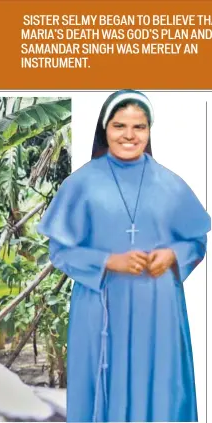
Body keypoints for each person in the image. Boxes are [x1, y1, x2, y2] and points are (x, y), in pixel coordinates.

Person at [37, 89, 210, 422]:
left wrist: (173, 254)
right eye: (120, 126)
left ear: (149, 131)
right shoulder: (82, 184)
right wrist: (107, 261)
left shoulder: (170, 184)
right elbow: (59, 251)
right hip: (101, 306)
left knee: (161, 390)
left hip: (158, 312)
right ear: (105, 130)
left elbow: (197, 241)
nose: (129, 135)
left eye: (139, 127)